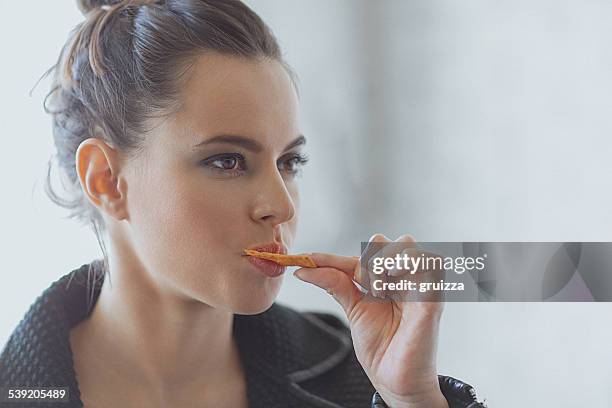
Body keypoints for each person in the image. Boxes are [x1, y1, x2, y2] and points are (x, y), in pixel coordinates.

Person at [0, 1, 486, 407]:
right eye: (228, 161)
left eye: (290, 162)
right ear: (106, 180)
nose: (281, 206)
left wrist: (413, 400)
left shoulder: (356, 378)